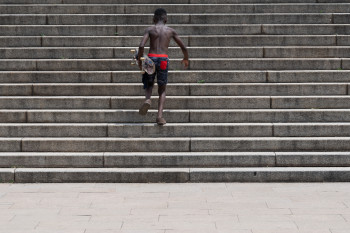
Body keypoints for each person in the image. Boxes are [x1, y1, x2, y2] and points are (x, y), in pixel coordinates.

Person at [137, 8, 189, 125]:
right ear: (166, 19)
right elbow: (184, 48)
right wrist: (185, 58)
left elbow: (141, 46)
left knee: (149, 83)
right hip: (163, 60)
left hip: (150, 58)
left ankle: (148, 99)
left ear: (154, 19)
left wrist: (140, 60)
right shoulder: (170, 31)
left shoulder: (150, 30)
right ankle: (159, 117)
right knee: (162, 89)